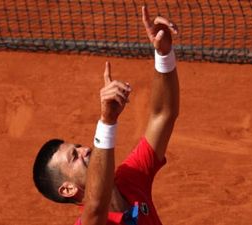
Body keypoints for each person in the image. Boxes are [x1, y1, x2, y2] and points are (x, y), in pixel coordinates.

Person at [33, 6, 179, 225]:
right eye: (74, 156)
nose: (85, 150)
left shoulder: (130, 178)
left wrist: (163, 54)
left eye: (79, 146)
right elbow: (96, 206)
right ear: (68, 189)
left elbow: (163, 114)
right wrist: (107, 121)